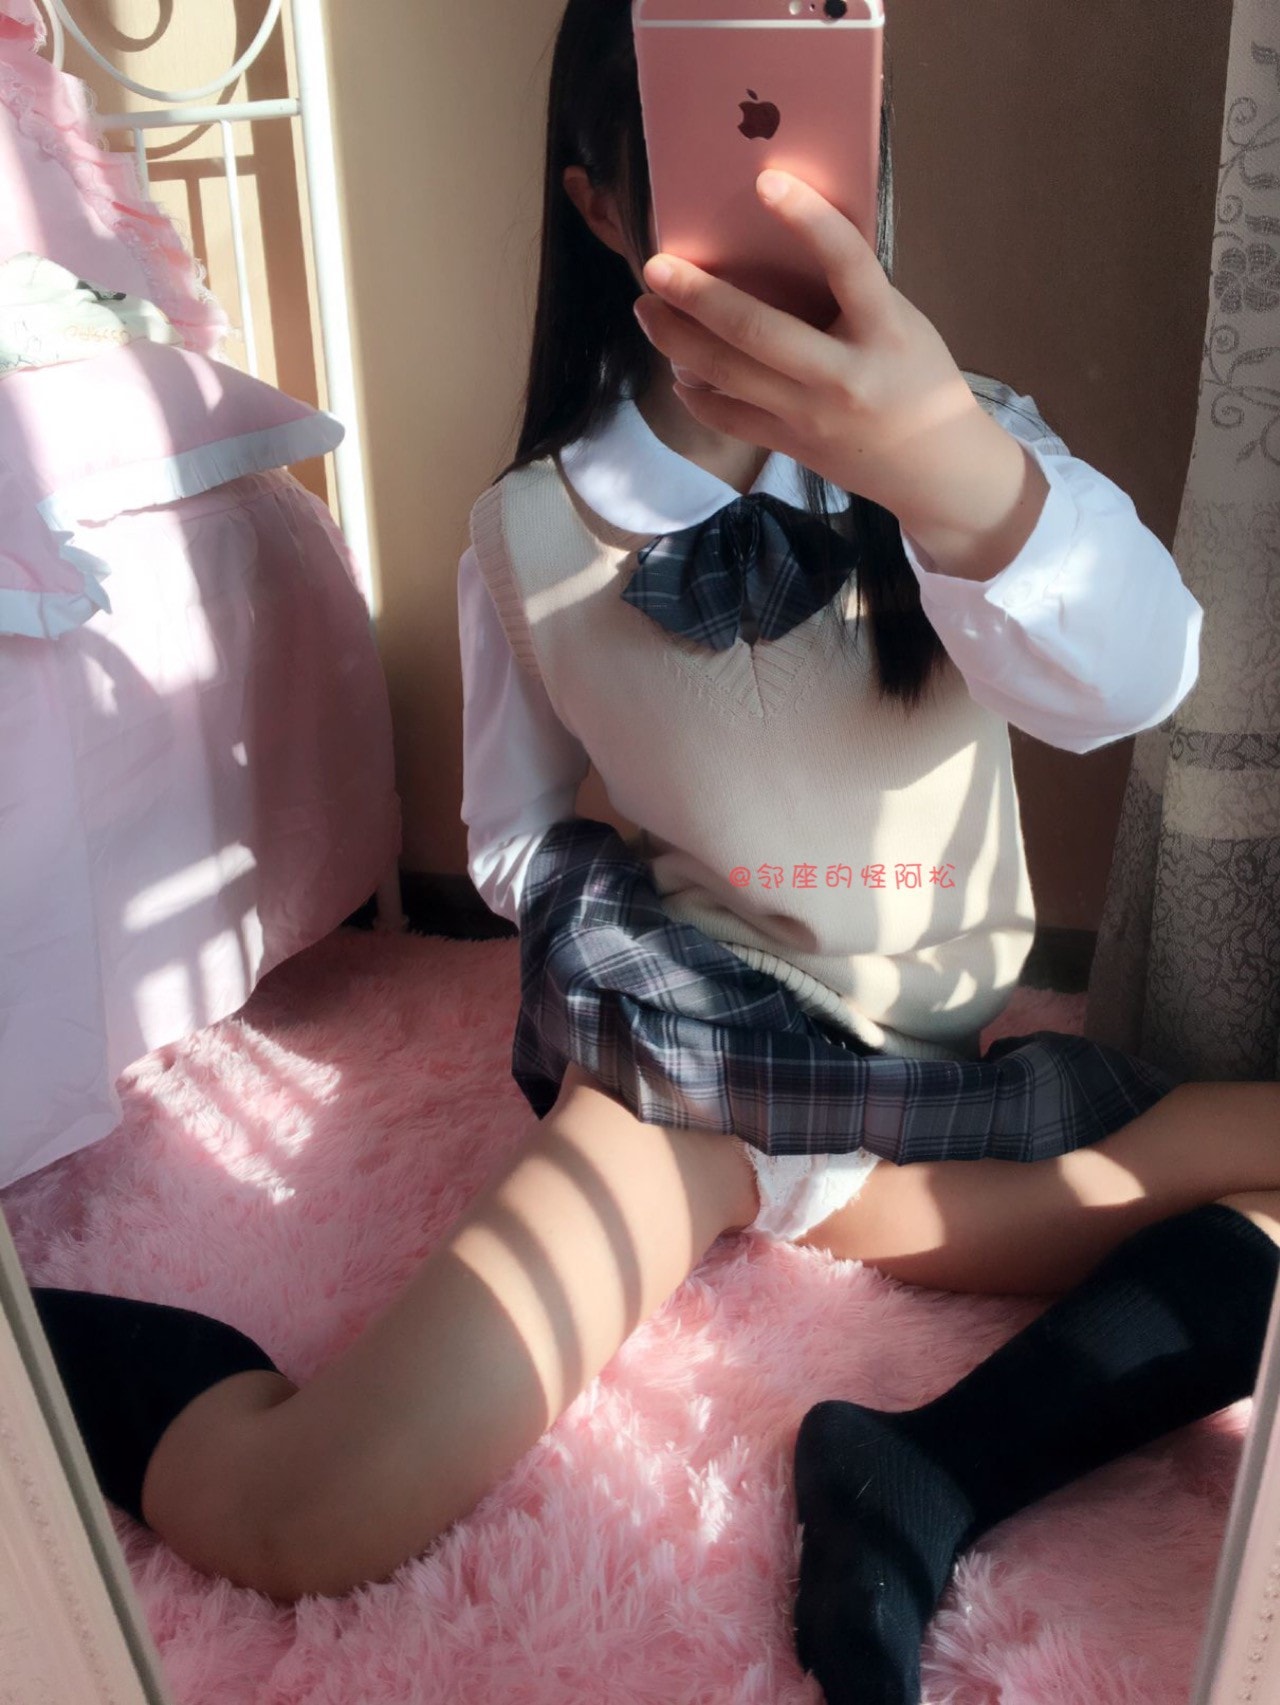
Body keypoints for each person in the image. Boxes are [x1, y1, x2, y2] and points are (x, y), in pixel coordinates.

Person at [25, 5, 1280, 1703]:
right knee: (306, 1509)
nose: (784, 188)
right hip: (694, 1088)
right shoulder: (529, 531)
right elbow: (516, 835)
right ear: (602, 203)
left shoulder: (980, 461)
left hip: (931, 1090)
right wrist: (623, 971)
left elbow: (1143, 674)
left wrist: (953, 478)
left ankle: (922, 1472)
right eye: (720, 135)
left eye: (823, 130)